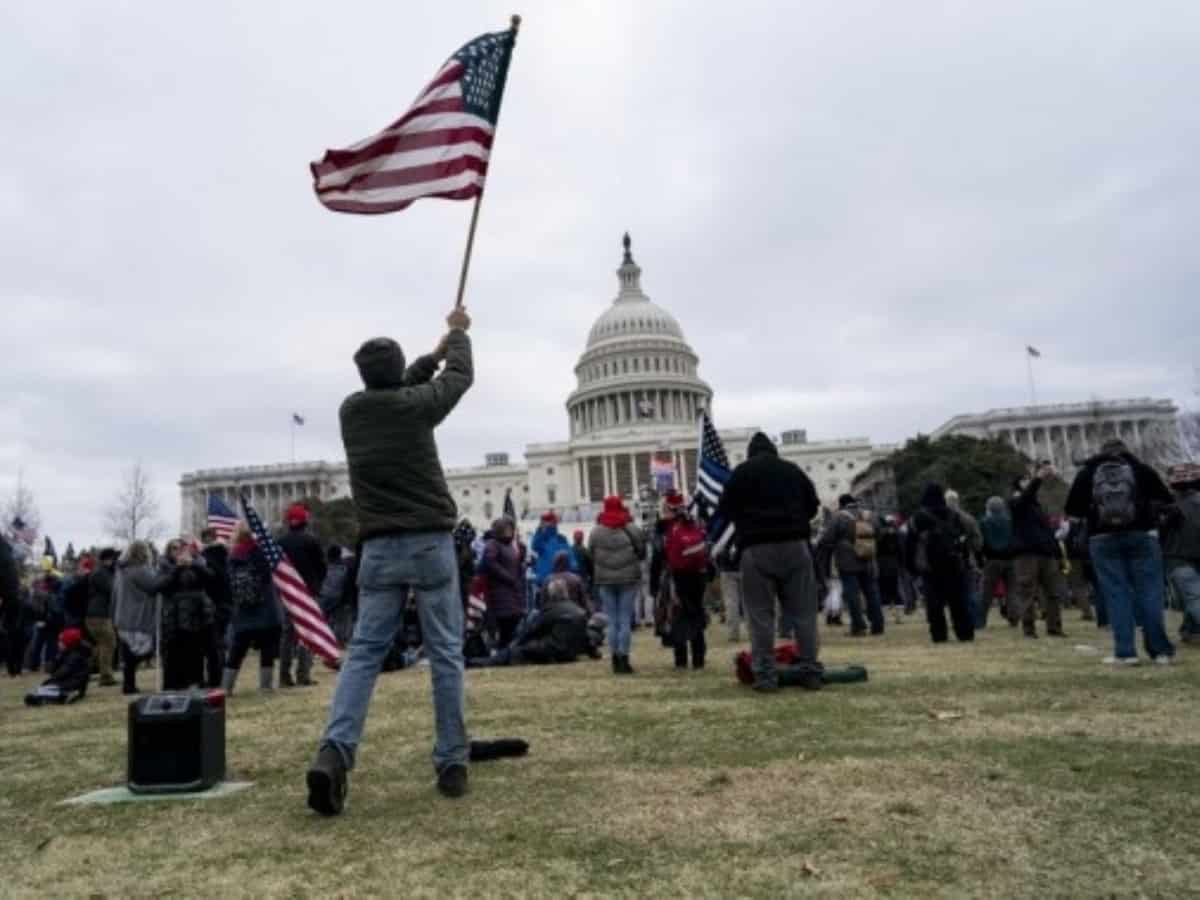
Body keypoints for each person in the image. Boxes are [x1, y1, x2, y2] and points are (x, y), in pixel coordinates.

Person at [307, 306, 474, 817]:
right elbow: (460, 380)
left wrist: (433, 354)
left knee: (362, 656)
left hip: (377, 548)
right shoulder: (414, 408)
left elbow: (404, 386)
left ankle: (335, 751)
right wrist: (459, 338)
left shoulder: (351, 411)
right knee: (444, 652)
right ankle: (450, 760)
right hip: (428, 542)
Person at [717, 432, 823, 692]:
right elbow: (813, 505)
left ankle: (765, 675)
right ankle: (809, 671)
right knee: (804, 613)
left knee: (760, 615)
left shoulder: (741, 473)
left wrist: (747, 523)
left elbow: (725, 508)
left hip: (756, 547)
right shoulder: (792, 470)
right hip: (795, 546)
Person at [1066, 439, 1175, 664]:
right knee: (1150, 592)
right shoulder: (1141, 469)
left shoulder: (1087, 473)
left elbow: (1072, 509)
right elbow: (1166, 500)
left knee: (1116, 593)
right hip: (1142, 534)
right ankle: (1160, 651)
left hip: (1102, 537)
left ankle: (1125, 652)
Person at [221, 526, 284, 694]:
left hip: (243, 609)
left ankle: (227, 687)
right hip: (265, 606)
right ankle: (265, 686)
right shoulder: (262, 553)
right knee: (268, 646)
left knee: (237, 648)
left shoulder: (233, 556)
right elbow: (274, 565)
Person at [908, 483, 974, 643]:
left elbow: (910, 544)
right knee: (958, 601)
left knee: (934, 604)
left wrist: (911, 567)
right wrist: (965, 560)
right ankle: (964, 633)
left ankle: (939, 635)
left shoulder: (918, 517)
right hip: (953, 563)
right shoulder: (954, 515)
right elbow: (963, 540)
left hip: (930, 566)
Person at [1009, 463, 1068, 639]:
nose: (1030, 481)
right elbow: (1026, 497)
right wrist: (1038, 478)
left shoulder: (1037, 505)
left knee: (1053, 593)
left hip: (1045, 553)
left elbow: (1047, 530)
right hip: (1026, 554)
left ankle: (1054, 627)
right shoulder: (1016, 502)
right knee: (1027, 592)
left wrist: (1055, 550)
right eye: (1026, 479)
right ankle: (1029, 630)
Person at [588, 496, 646, 674]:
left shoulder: (596, 531)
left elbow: (591, 553)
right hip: (627, 579)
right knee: (625, 621)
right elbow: (642, 551)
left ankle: (614, 659)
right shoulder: (631, 528)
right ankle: (624, 659)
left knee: (612, 622)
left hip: (605, 580)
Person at [817, 495, 884, 636]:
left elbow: (826, 539)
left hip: (848, 561)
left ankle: (858, 627)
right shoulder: (870, 515)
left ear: (842, 505)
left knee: (852, 595)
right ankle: (878, 625)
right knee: (872, 593)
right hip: (868, 560)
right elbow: (879, 533)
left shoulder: (839, 517)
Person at [277, 503, 327, 688]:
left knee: (287, 635)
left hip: (288, 593)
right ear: (305, 522)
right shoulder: (311, 541)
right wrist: (316, 585)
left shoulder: (280, 543)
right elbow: (322, 567)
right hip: (307, 592)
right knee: (307, 633)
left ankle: (284, 675)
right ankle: (303, 674)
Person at [158, 540, 215, 690]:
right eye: (174, 549)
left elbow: (210, 577)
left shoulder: (196, 564)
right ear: (169, 551)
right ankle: (174, 684)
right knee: (174, 652)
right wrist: (177, 569)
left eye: (182, 548)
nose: (179, 551)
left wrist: (194, 565)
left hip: (196, 614)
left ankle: (195, 681)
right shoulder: (165, 566)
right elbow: (161, 585)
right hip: (174, 615)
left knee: (195, 650)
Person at [662, 493, 710, 670]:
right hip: (698, 575)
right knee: (696, 613)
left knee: (680, 616)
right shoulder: (695, 525)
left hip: (679, 576)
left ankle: (681, 659)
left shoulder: (671, 530)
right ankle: (699, 657)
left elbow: (668, 556)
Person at [112, 541, 161, 695]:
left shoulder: (121, 571)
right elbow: (154, 585)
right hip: (136, 618)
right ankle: (129, 685)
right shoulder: (139, 571)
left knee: (129, 655)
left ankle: (129, 685)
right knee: (143, 651)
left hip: (122, 617)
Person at [1161, 463, 1200, 644]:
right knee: (1191, 596)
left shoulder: (1166, 504)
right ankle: (1189, 630)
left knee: (1192, 596)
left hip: (1177, 556)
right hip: (1185, 555)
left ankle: (1190, 630)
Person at [479, 516, 526, 648]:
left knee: (513, 622)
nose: (510, 531)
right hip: (500, 592)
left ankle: (505, 650)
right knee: (505, 623)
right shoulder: (493, 545)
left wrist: (522, 554)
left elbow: (516, 564)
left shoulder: (511, 546)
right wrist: (508, 577)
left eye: (511, 529)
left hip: (513, 592)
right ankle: (501, 650)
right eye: (507, 529)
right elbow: (490, 563)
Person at [24, 627, 92, 706]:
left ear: (69, 643)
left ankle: (61, 697)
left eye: (61, 641)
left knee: (43, 690)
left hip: (72, 685)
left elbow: (62, 673)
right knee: (40, 689)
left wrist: (51, 680)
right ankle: (45, 698)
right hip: (67, 683)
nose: (59, 643)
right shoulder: (66, 654)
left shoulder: (75, 657)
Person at [201, 528, 234, 687]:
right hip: (226, 602)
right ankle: (219, 676)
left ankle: (215, 678)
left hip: (212, 604)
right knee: (220, 642)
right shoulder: (227, 556)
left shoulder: (207, 558)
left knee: (213, 644)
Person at [84, 549, 119, 687]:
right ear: (108, 559)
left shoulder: (100, 572)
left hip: (96, 614)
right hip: (99, 615)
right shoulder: (101, 573)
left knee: (100, 645)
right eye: (114, 559)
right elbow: (112, 589)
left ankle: (86, 671)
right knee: (109, 643)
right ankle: (105, 676)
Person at [978, 496, 1014, 629]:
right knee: (1012, 591)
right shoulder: (1010, 520)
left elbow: (980, 542)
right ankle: (1014, 618)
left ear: (989, 508)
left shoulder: (984, 522)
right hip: (1010, 559)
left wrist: (980, 559)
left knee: (985, 593)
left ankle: (980, 620)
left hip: (991, 559)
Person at [531, 512, 574, 592]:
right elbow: (534, 546)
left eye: (549, 521)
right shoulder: (542, 540)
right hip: (547, 580)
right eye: (544, 522)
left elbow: (571, 560)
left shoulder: (561, 538)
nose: (547, 524)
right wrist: (540, 530)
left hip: (558, 581)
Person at [875, 515, 903, 625]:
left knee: (883, 591)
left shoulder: (879, 534)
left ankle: (885, 617)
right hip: (894, 565)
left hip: (882, 565)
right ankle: (898, 616)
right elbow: (900, 550)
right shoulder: (897, 534)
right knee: (895, 590)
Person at [1, 534, 23, 677]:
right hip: (12, 596)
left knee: (9, 633)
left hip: (6, 595)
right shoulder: (8, 552)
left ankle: (12, 667)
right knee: (13, 632)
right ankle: (15, 667)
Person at [716, 542, 744, 641]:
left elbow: (717, 549)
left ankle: (733, 634)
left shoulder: (724, 530)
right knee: (749, 602)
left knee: (731, 602)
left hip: (727, 568)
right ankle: (753, 631)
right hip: (745, 566)